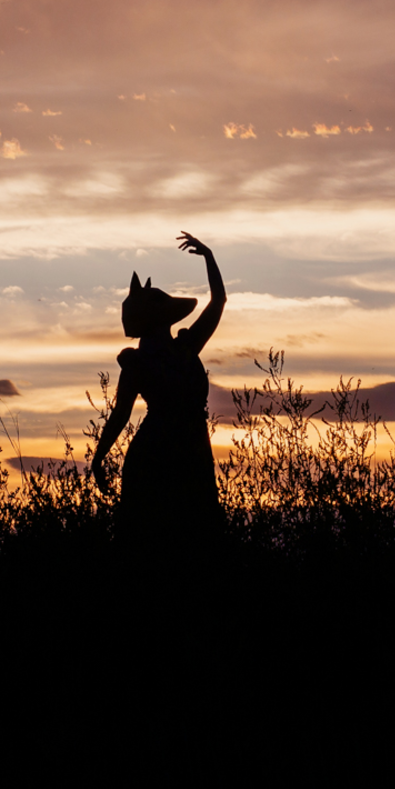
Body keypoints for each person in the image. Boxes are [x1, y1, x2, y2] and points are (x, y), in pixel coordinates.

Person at [91, 232, 226, 550]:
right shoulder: (141, 362)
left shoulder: (186, 347)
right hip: (159, 454)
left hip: (190, 448)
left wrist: (209, 256)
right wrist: (99, 458)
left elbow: (218, 301)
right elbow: (120, 415)